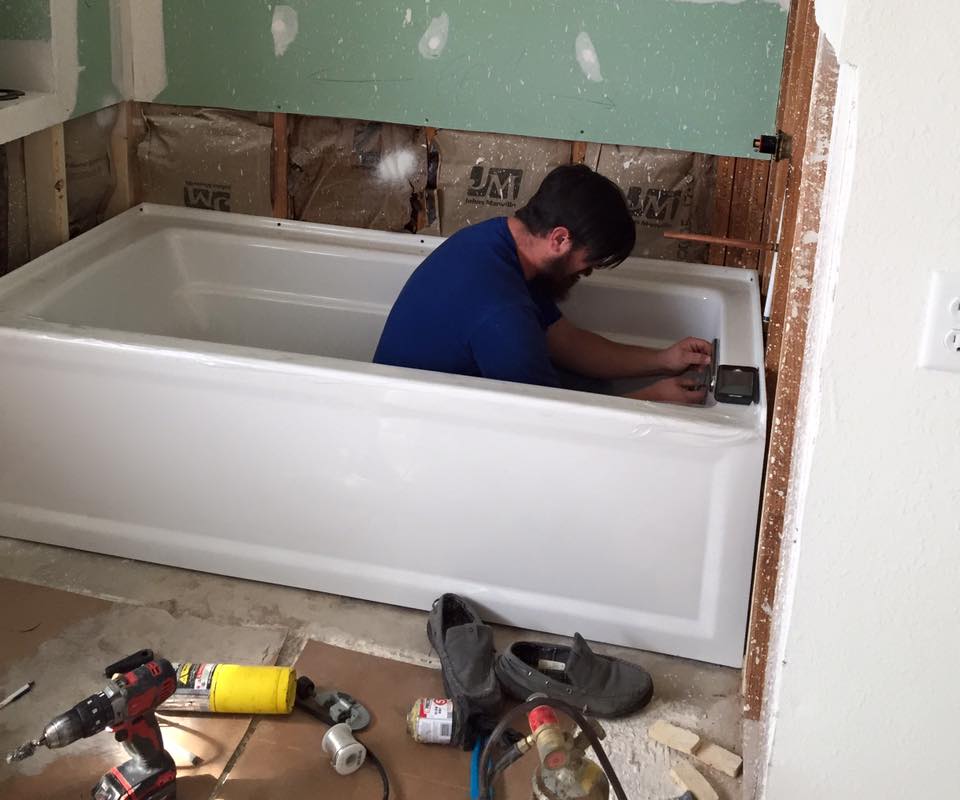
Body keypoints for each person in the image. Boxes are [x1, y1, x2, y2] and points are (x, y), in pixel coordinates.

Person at [374, 164, 711, 404]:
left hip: (423, 405)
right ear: (560, 239)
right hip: (419, 435)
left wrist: (663, 359)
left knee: (588, 381)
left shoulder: (500, 241)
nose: (588, 272)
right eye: (589, 261)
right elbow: (556, 424)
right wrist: (654, 399)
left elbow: (566, 342)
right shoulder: (502, 314)